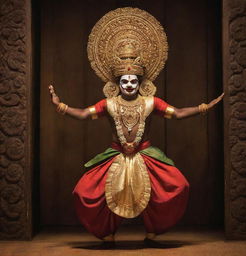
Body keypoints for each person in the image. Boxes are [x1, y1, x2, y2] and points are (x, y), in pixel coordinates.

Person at [48, 7, 224, 247]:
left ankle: (153, 232)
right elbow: (82, 114)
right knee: (86, 192)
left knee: (177, 187)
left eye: (133, 81)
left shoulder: (152, 102)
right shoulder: (108, 104)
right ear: (117, 84)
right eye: (124, 81)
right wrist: (61, 106)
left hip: (145, 154)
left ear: (141, 83)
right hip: (116, 154)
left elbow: (179, 113)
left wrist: (204, 107)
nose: (129, 85)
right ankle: (106, 233)